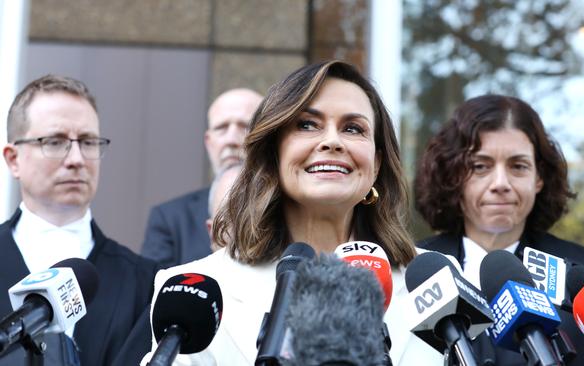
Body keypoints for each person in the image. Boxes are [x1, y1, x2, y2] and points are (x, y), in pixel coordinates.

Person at [142, 60, 443, 365]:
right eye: (307, 125)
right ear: (274, 153)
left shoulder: (436, 283)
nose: (332, 141)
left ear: (376, 164)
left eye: (353, 128)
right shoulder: (194, 287)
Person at [415, 94, 584, 365]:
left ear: (539, 178)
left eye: (518, 166)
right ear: (454, 176)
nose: (500, 183)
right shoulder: (415, 270)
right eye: (480, 166)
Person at [1, 75, 157, 365]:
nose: (76, 158)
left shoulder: (146, 282)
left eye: (87, 142)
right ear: (13, 159)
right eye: (55, 141)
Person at [141, 88, 263, 268]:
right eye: (221, 128)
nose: (231, 139)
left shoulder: (294, 210)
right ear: (209, 141)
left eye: (245, 126)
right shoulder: (170, 218)